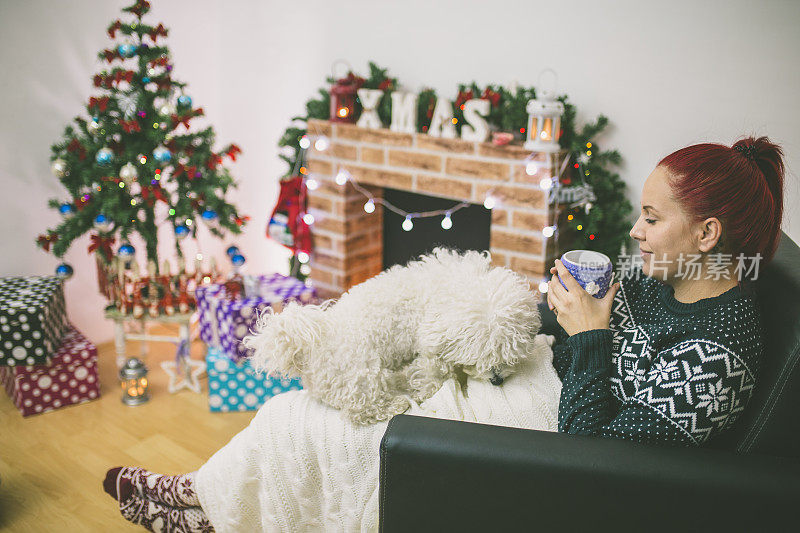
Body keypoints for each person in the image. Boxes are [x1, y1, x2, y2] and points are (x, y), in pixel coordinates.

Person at [103, 136, 785, 531]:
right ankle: (198, 496)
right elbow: (575, 337)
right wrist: (551, 309)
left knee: (327, 426)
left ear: (707, 234)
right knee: (300, 406)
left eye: (650, 217)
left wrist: (590, 336)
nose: (633, 231)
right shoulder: (658, 278)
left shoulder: (720, 355)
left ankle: (202, 511)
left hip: (549, 434)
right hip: (538, 375)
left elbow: (596, 460)